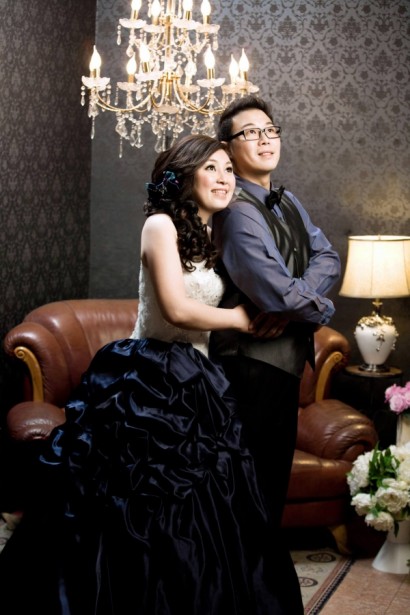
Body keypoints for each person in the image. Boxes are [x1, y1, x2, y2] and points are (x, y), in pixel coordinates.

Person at [0, 135, 292, 614]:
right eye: (211, 168)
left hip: (199, 377)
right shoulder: (160, 225)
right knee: (133, 504)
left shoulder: (218, 232)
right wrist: (243, 320)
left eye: (228, 169)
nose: (224, 178)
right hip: (150, 375)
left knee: (207, 504)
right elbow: (176, 309)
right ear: (185, 176)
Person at [210, 95, 341, 613]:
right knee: (251, 494)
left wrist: (292, 307)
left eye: (270, 129)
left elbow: (328, 256)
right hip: (248, 370)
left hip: (281, 366)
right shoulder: (236, 213)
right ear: (228, 148)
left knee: (269, 491)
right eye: (250, 133)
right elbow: (276, 294)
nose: (265, 139)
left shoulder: (287, 201)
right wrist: (312, 306)